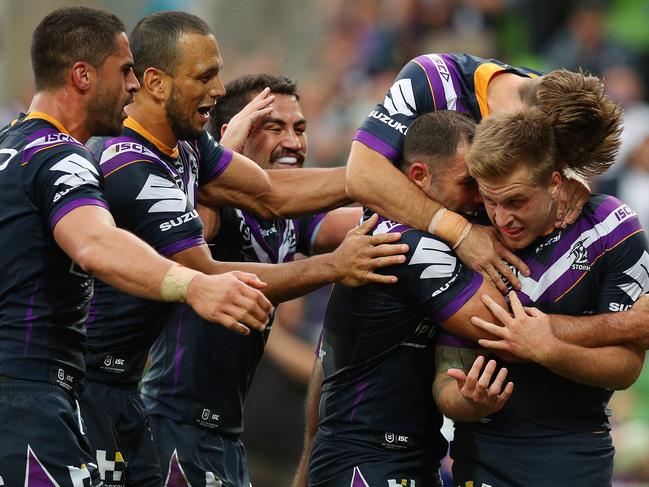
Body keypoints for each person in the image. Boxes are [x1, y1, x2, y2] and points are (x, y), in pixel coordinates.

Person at [81, 13, 405, 487]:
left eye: (301, 127)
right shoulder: (131, 163)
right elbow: (202, 270)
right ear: (156, 82)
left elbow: (272, 192)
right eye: (205, 76)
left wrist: (391, 179)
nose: (215, 88)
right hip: (129, 407)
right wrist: (333, 266)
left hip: (195, 423)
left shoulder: (190, 152)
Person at [0, 7, 272, 487]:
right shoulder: (59, 157)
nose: (133, 86)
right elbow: (94, 242)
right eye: (125, 70)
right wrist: (192, 284)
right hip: (27, 397)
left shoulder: (8, 147)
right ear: (83, 76)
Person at [140, 72, 366, 487]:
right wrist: (223, 157)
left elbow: (370, 221)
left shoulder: (290, 217)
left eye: (300, 129)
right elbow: (193, 232)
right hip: (174, 426)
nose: (294, 143)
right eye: (273, 127)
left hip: (228, 435)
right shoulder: (204, 206)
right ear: (236, 133)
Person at [434, 107, 647, 486]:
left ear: (554, 183)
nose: (501, 218)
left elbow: (626, 368)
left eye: (515, 202)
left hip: (574, 451)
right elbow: (445, 380)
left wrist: (548, 348)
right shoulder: (471, 236)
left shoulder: (612, 227)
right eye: (489, 200)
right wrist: (467, 402)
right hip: (481, 450)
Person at [302, 111, 516, 487]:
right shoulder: (406, 244)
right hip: (369, 462)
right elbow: (507, 325)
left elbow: (326, 361)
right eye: (468, 183)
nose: (480, 200)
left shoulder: (385, 230)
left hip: (389, 457)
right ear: (419, 176)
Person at [345, 52, 621, 291]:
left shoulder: (553, 108)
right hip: (392, 287)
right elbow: (361, 176)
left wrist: (575, 179)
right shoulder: (434, 81)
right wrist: (459, 232)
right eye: (557, 161)